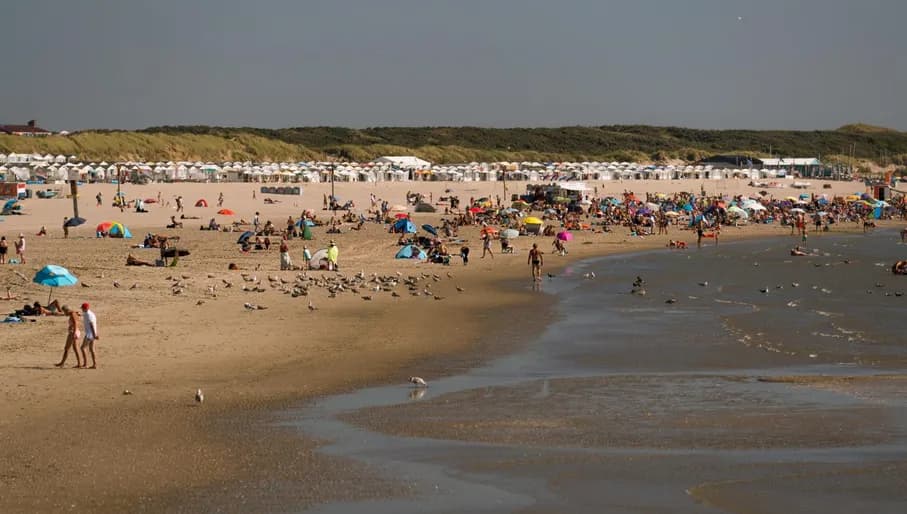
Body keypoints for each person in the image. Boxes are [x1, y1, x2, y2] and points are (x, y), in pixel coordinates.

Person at [80, 303, 99, 369]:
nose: (82, 309)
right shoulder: (89, 313)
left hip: (89, 334)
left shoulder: (88, 315)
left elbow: (91, 325)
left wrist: (94, 335)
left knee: (83, 348)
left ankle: (85, 364)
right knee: (92, 349)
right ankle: (95, 364)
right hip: (92, 334)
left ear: (86, 308)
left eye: (82, 308)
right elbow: (83, 315)